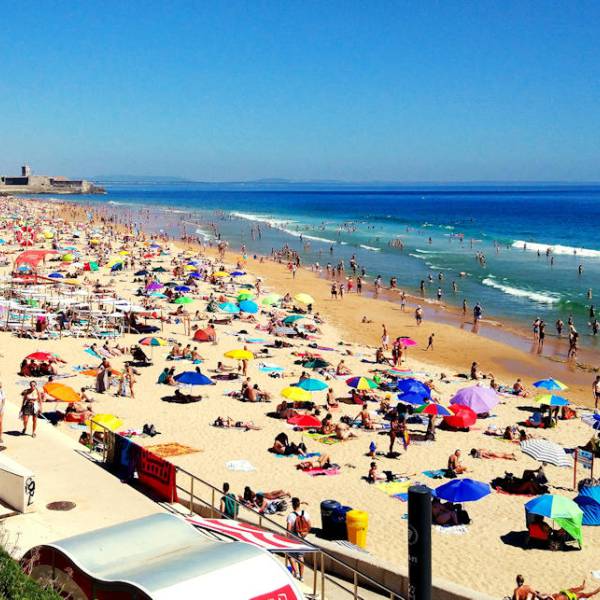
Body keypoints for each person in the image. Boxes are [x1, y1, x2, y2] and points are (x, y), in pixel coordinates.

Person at [286, 497, 311, 581]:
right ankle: (302, 577)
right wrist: (305, 533)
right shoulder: (305, 514)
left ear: (293, 505)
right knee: (300, 557)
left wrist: (287, 539)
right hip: (303, 539)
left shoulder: (291, 516)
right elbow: (309, 526)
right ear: (299, 504)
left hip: (293, 540)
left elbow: (288, 530)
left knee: (290, 556)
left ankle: (296, 573)